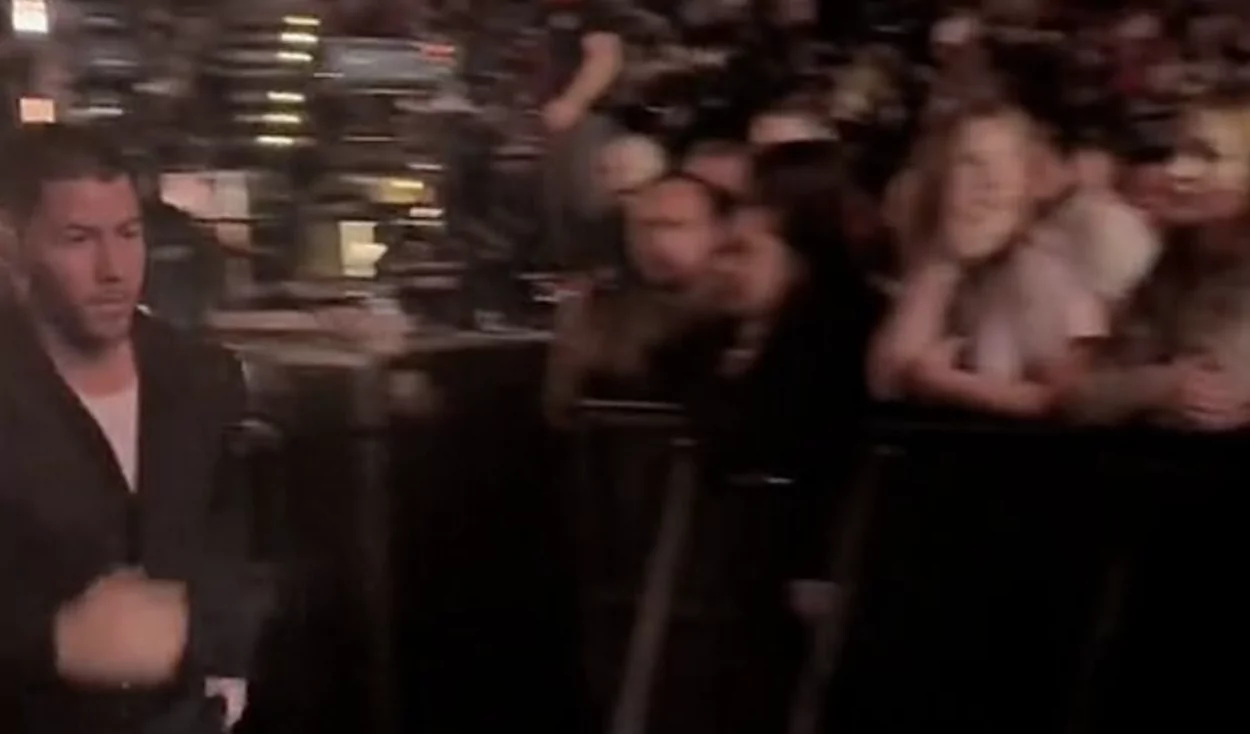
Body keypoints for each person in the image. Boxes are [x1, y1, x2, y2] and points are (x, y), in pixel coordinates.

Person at [0, 124, 269, 734]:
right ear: (13, 245)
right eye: (78, 239)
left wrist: (217, 652)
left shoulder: (203, 378)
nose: (113, 269)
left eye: (128, 234)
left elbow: (244, 552)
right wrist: (49, 641)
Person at [868, 102, 1107, 417]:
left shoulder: (1050, 273)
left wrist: (939, 381)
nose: (989, 183)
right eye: (970, 164)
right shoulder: (935, 264)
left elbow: (1058, 402)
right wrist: (946, 260)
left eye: (1006, 164)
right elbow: (885, 382)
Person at [538, 0, 625, 269]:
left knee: (584, 203)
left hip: (585, 120)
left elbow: (606, 58)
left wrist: (572, 103)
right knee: (558, 207)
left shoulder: (593, 10)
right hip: (555, 122)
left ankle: (593, 270)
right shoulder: (544, 12)